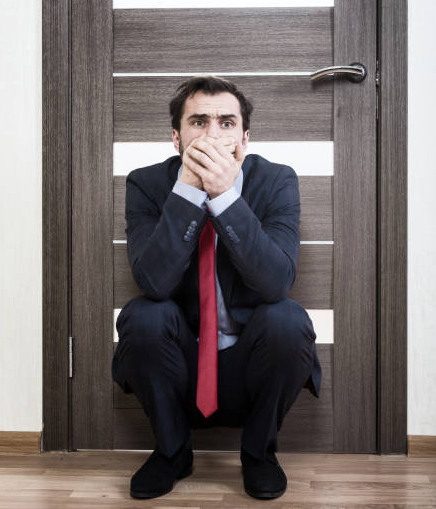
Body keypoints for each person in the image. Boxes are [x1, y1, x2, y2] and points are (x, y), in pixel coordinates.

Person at [112, 75, 322, 500]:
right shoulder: (146, 184)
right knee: (142, 315)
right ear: (176, 137)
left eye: (226, 122)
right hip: (183, 366)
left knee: (287, 319)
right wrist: (189, 189)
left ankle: (259, 454)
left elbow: (275, 282)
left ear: (244, 137)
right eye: (199, 122)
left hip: (249, 364)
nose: (212, 133)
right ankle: (172, 453)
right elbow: (155, 282)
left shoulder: (276, 180)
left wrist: (225, 195)